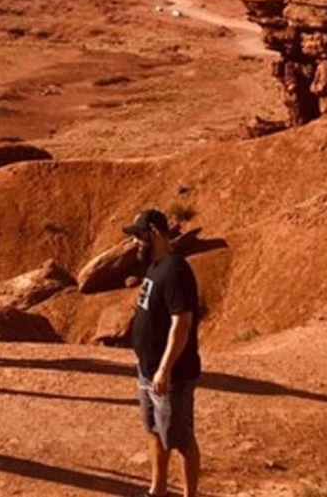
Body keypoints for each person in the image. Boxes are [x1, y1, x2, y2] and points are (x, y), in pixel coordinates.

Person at [124, 210, 202, 497]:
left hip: (172, 376)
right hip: (149, 370)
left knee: (181, 440)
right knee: (155, 431)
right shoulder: (156, 266)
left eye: (138, 236)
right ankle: (157, 490)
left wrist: (165, 369)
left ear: (154, 233)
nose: (134, 242)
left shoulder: (175, 270)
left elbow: (181, 322)